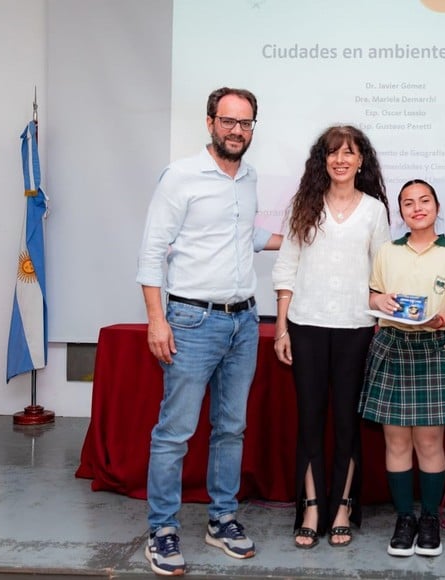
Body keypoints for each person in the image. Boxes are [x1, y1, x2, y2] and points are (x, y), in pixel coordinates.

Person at [136, 87, 282, 576]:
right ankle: (162, 529)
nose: (236, 131)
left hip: (244, 321)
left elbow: (247, 235)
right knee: (175, 432)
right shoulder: (180, 177)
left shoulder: (249, 177)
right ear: (209, 123)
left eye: (245, 123)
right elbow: (152, 251)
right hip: (191, 321)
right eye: (228, 121)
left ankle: (222, 519)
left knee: (231, 428)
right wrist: (157, 319)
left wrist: (302, 237)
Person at [272, 125, 390, 549]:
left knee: (346, 423)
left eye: (349, 153)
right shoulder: (304, 205)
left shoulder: (375, 210)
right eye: (333, 153)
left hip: (357, 328)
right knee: (309, 422)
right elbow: (286, 269)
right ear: (323, 161)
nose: (341, 160)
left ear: (361, 161)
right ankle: (311, 507)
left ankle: (341, 507)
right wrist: (282, 327)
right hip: (305, 326)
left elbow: (382, 273)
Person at [359, 179, 445, 558]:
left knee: (429, 442)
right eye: (408, 203)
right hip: (392, 347)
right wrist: (378, 299)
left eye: (424, 200)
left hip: (432, 347)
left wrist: (441, 319)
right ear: (401, 212)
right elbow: (372, 294)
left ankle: (429, 519)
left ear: (437, 207)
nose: (417, 208)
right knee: (396, 441)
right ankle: (404, 518)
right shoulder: (387, 252)